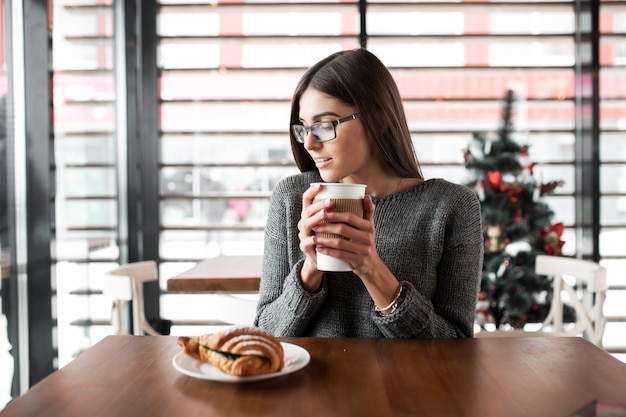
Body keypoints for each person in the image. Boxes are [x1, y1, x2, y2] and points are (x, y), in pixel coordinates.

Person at [253, 48, 483, 338]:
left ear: (378, 118)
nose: (309, 143)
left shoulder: (451, 207)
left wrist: (371, 268)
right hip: (310, 383)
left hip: (405, 384)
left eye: (324, 125)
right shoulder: (292, 197)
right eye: (304, 128)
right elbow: (265, 335)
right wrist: (311, 268)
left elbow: (457, 347)